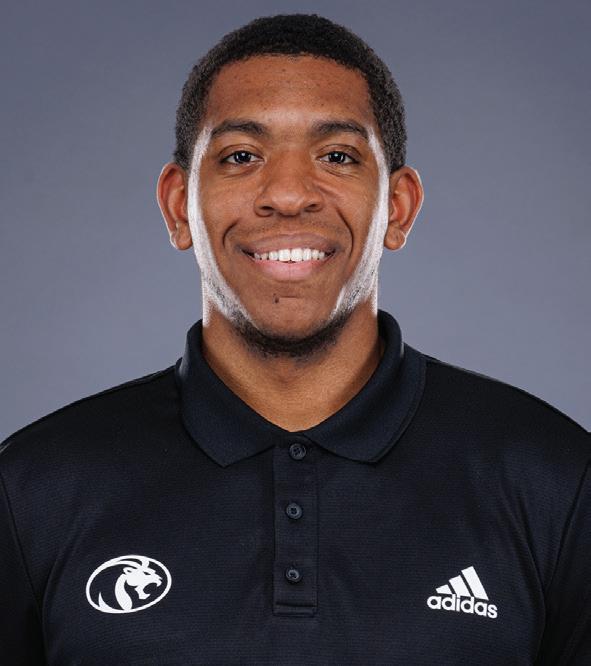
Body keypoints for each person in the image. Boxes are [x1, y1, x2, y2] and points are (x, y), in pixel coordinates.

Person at [0, 13, 589, 665]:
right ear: (178, 205)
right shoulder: (31, 490)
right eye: (241, 156)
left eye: (336, 156)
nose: (286, 194)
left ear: (397, 208)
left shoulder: (556, 481)